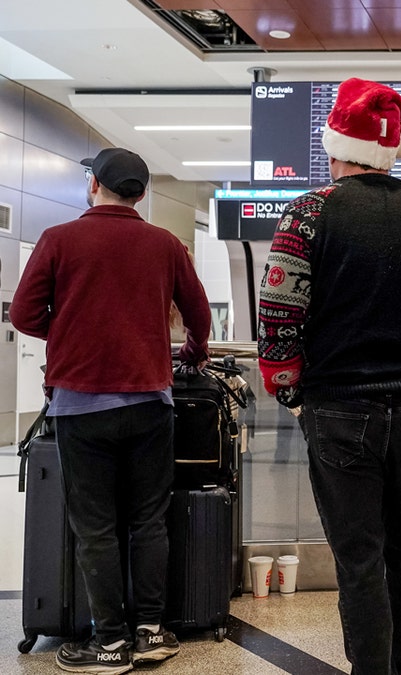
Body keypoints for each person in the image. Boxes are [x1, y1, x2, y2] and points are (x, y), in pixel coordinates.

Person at [257, 78, 401, 675]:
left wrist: (291, 395)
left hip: (340, 408)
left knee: (359, 557)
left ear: (335, 147)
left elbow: (278, 314)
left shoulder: (310, 212)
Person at [11, 147, 210, 674]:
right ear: (142, 194)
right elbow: (197, 312)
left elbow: (26, 313)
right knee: (148, 519)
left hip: (80, 408)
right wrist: (192, 352)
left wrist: (74, 330)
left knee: (95, 525)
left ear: (93, 185)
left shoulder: (58, 239)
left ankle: (109, 643)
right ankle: (151, 631)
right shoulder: (165, 244)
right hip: (151, 403)